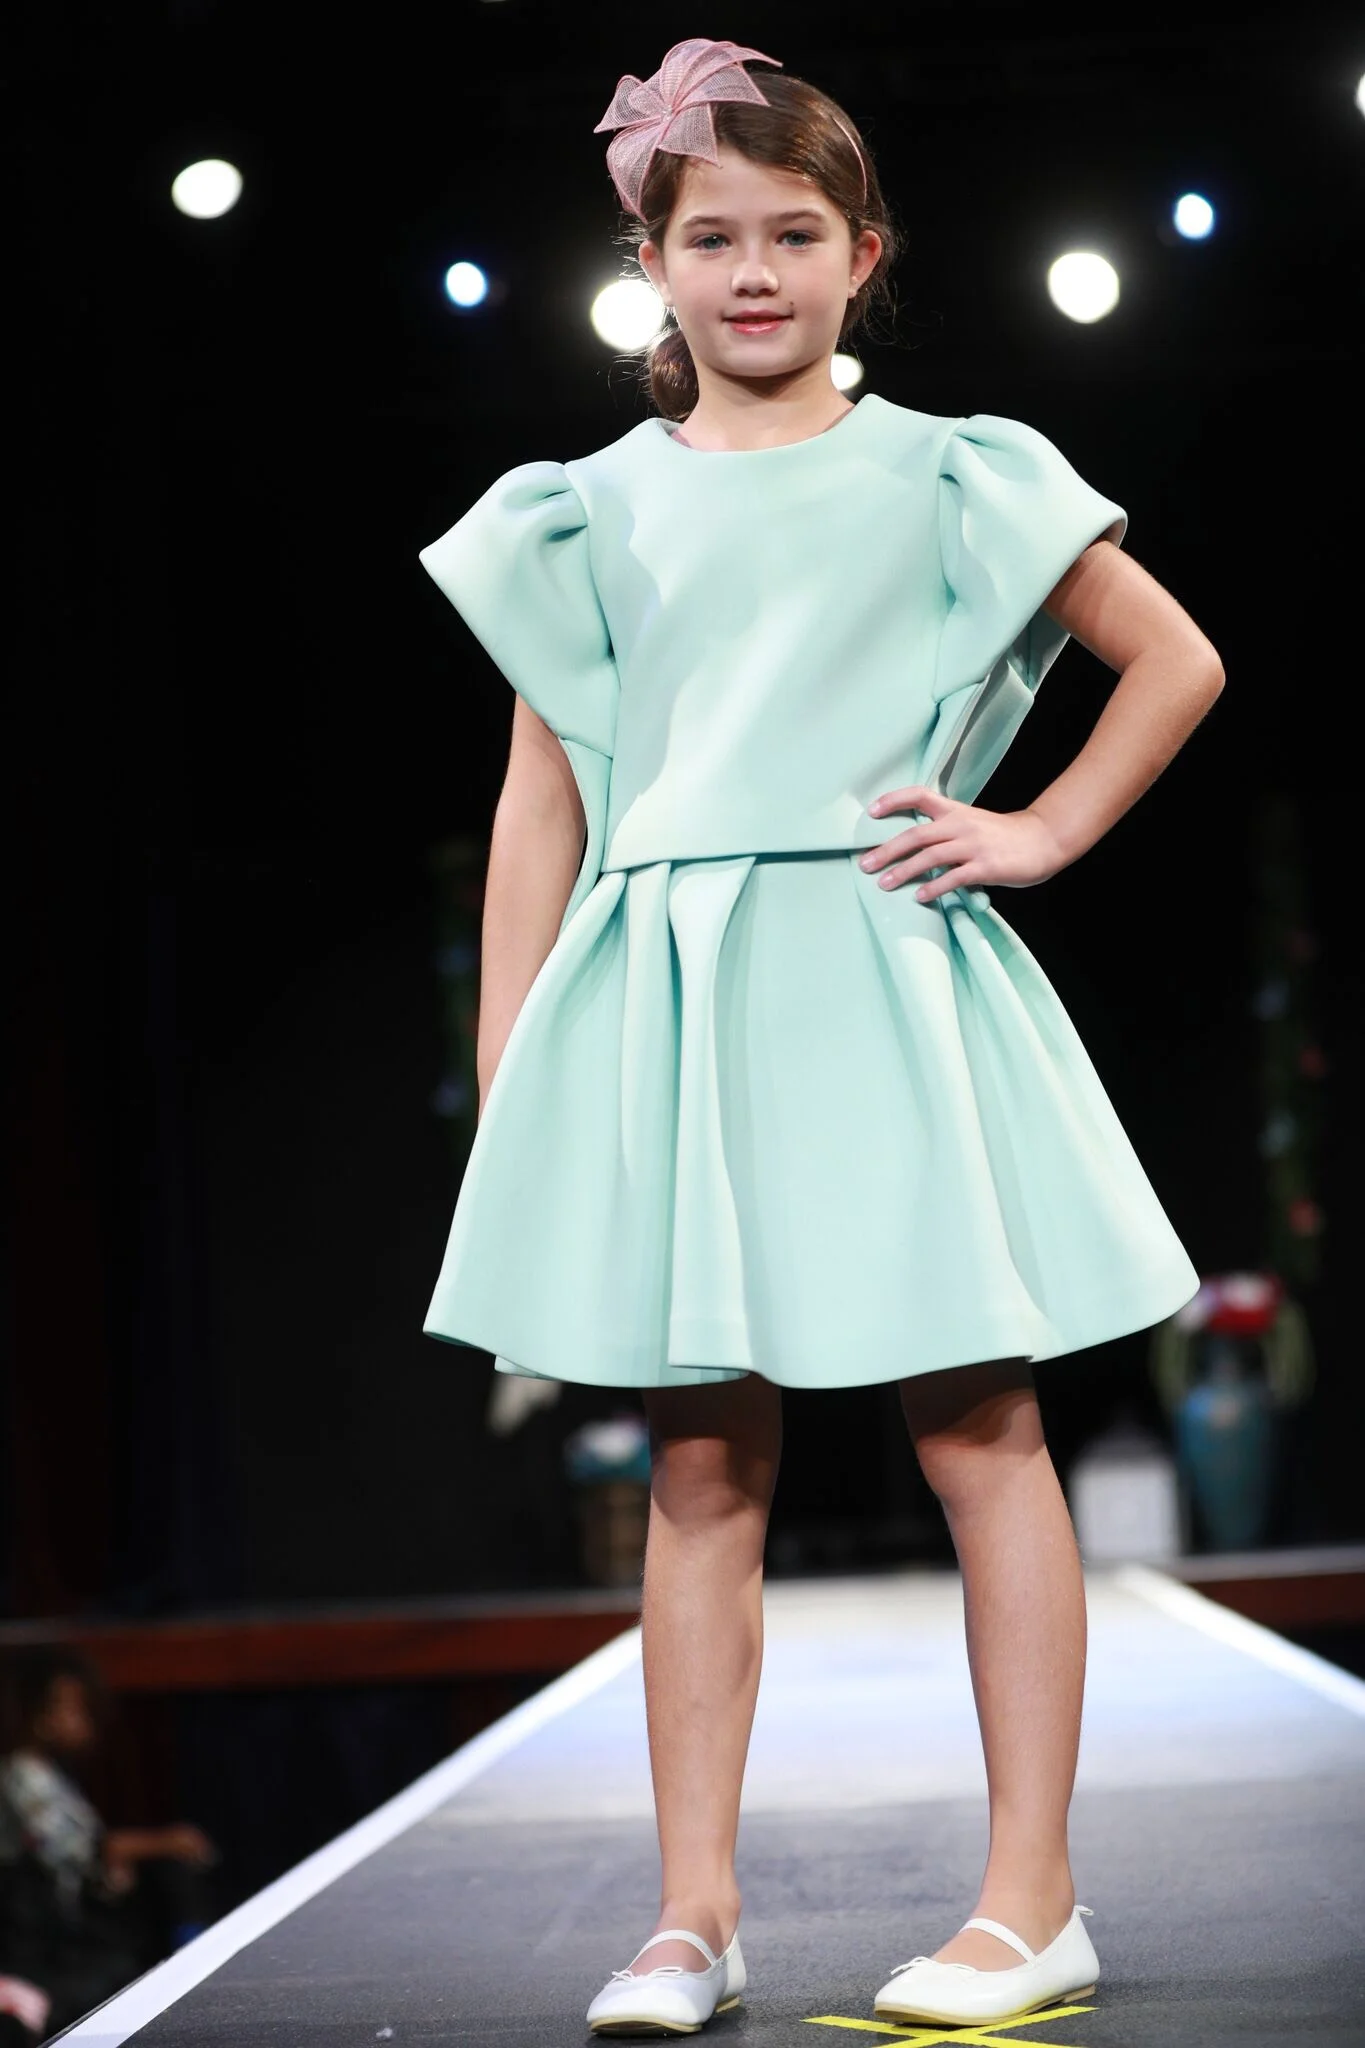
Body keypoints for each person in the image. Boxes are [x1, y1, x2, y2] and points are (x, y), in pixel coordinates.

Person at [416, 36, 1222, 2037]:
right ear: (650, 264)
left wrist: (1036, 827)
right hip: (679, 995)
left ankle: (1031, 1896)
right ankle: (692, 1912)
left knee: (978, 1426)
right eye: (712, 237)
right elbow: (541, 800)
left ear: (864, 254)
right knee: (701, 1456)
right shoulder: (583, 513)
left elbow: (1174, 657)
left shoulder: (948, 471)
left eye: (793, 233)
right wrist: (516, 1068)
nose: (752, 271)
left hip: (874, 969)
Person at [0, 1648, 220, 2037]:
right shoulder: (22, 1774)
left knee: (171, 1876)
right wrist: (157, 1844)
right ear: (35, 1712)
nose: (78, 1720)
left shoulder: (47, 1771)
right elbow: (77, 1850)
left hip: (71, 1913)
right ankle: (195, 1957)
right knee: (170, 1869)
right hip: (43, 1934)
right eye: (66, 1707)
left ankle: (196, 1951)